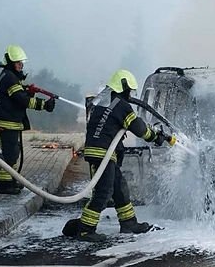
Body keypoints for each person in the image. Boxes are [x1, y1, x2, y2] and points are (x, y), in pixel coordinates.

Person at [63, 69, 174, 242]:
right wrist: (155, 137)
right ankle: (85, 230)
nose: (131, 94)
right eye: (130, 90)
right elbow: (139, 128)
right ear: (123, 87)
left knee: (119, 187)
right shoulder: (121, 106)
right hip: (104, 154)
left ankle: (129, 222)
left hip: (101, 152)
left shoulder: (103, 104)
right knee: (103, 191)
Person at [0, 44, 55, 194]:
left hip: (10, 122)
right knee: (9, 154)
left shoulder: (10, 76)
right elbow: (21, 100)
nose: (21, 65)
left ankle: (10, 180)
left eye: (22, 62)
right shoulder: (10, 78)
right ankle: (4, 185)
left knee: (13, 153)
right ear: (10, 63)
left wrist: (28, 90)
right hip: (6, 123)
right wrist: (44, 105)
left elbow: (19, 94)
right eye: (18, 62)